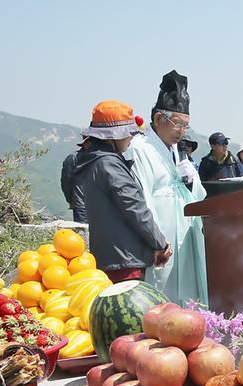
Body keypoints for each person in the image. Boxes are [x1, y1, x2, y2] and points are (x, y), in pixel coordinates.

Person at [125, 70, 208, 304]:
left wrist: (192, 180)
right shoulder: (141, 149)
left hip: (185, 239)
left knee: (187, 302)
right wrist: (156, 240)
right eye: (178, 124)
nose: (182, 131)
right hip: (164, 242)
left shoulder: (175, 151)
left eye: (186, 126)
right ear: (159, 119)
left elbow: (196, 196)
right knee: (162, 300)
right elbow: (143, 199)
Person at [72, 100, 170, 283]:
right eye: (128, 133)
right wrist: (160, 242)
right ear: (111, 138)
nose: (130, 138)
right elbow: (134, 207)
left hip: (111, 256)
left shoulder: (95, 162)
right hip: (125, 260)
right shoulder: (109, 164)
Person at [60, 138, 90, 222]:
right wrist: (71, 199)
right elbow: (66, 182)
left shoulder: (102, 158)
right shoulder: (73, 158)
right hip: (82, 205)